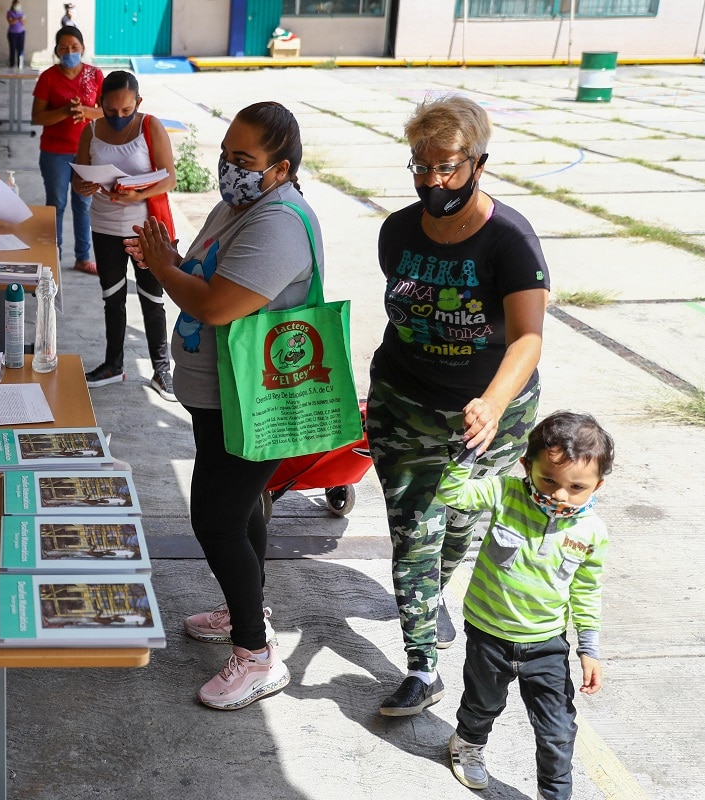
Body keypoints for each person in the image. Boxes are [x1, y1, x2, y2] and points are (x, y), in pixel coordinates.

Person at [124, 101, 322, 710]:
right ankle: (248, 606)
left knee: (214, 519)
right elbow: (203, 277)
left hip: (260, 398)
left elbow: (214, 305)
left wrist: (164, 267)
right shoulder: (241, 206)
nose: (228, 168)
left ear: (280, 168)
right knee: (240, 510)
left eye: (245, 160)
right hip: (224, 395)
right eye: (226, 154)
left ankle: (257, 655)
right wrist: (165, 264)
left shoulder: (278, 223)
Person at [367, 93, 551, 717]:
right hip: (404, 403)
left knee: (460, 528)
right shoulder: (396, 230)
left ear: (478, 163)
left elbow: (528, 338)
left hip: (490, 419)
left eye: (445, 167)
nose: (432, 180)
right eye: (420, 165)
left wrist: (493, 404)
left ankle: (429, 594)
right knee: (414, 532)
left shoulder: (510, 240)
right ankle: (422, 666)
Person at [437, 411, 613, 799]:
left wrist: (589, 648)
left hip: (546, 644)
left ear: (598, 485)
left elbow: (586, 591)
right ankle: (467, 743)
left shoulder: (591, 532)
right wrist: (468, 453)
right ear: (526, 465)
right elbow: (452, 494)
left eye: (576, 487)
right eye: (548, 479)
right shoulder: (505, 493)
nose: (559, 495)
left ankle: (554, 794)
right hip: (488, 633)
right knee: (482, 704)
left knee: (557, 730)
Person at [71, 70, 177, 398]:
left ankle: (162, 370)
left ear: (138, 103)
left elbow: (169, 178)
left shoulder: (150, 126)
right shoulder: (91, 130)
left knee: (151, 297)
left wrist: (138, 195)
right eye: (111, 111)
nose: (118, 118)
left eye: (126, 111)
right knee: (112, 297)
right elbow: (78, 177)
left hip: (146, 228)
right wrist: (84, 185)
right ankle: (113, 364)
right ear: (99, 103)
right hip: (104, 225)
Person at [32, 25, 103, 274]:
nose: (69, 51)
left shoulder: (94, 75)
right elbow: (37, 117)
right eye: (64, 47)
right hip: (54, 152)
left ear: (82, 48)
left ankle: (83, 257)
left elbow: (106, 111)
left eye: (74, 47)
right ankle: (54, 255)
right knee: (57, 203)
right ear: (56, 50)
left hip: (86, 151)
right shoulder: (48, 77)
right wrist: (63, 111)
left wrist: (85, 111)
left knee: (83, 204)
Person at [6, 1, 26, 68]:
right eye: (16, 5)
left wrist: (21, 19)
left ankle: (20, 64)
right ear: (13, 5)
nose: (17, 6)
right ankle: (12, 64)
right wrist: (18, 19)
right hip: (12, 34)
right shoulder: (9, 13)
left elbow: (24, 23)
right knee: (12, 49)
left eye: (18, 5)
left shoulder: (22, 12)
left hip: (21, 33)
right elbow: (11, 22)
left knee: (20, 49)